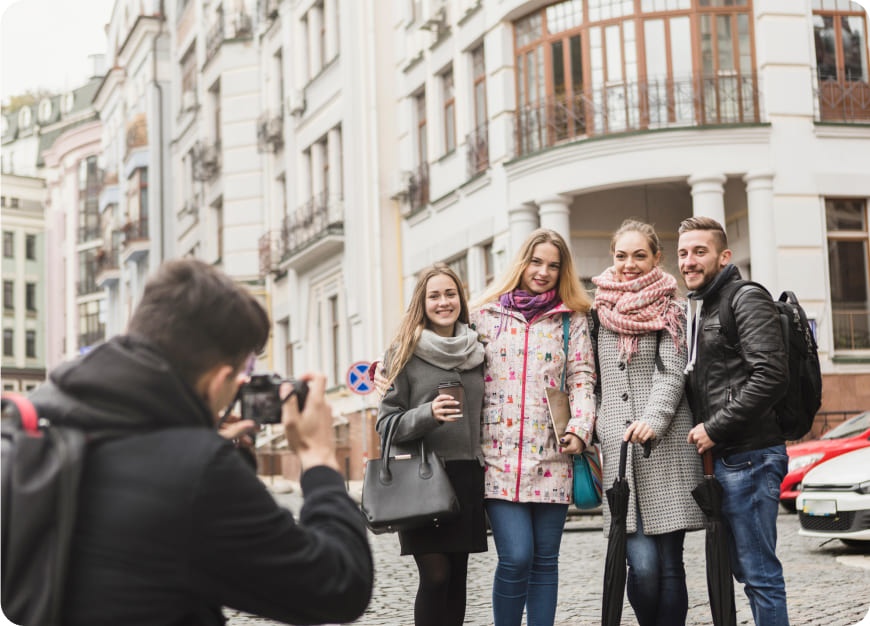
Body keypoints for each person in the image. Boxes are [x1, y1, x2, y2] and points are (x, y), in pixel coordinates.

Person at [28, 258, 373, 626]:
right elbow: (338, 585)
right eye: (241, 373)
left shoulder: (43, 421)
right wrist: (318, 458)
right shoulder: (196, 471)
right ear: (219, 379)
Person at [471, 228, 596, 626]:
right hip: (498, 457)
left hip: (553, 456)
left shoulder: (570, 319)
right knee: (516, 557)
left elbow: (582, 379)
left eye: (553, 266)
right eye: (536, 262)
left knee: (545, 561)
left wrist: (580, 426)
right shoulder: (485, 316)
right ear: (521, 263)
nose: (543, 272)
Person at [677, 216, 790, 626]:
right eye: (683, 253)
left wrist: (713, 427)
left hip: (751, 456)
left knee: (759, 575)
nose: (689, 261)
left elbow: (771, 376)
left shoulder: (744, 297)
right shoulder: (704, 305)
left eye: (700, 252)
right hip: (728, 459)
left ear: (724, 256)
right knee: (746, 571)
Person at [591, 219, 704, 626]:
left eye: (640, 255)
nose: (630, 264)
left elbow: (672, 372)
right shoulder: (597, 312)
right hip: (621, 454)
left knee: (670, 564)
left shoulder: (672, 310)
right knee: (641, 566)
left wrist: (653, 419)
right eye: (622, 256)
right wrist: (601, 421)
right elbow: (592, 378)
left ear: (656, 258)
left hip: (667, 449)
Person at [377, 263, 487, 626]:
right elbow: (386, 425)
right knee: (436, 576)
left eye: (450, 294)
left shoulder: (478, 352)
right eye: (434, 296)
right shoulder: (404, 353)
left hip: (466, 474)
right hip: (422, 476)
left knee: (457, 578)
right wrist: (428, 414)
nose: (444, 302)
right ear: (421, 303)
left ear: (461, 299)